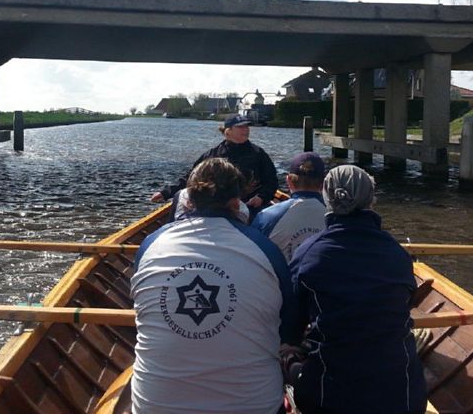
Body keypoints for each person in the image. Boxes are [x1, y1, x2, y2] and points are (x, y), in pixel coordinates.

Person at [131, 158, 297, 413]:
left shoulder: (150, 244)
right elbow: (289, 329)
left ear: (188, 199)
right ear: (236, 202)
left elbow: (141, 311)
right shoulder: (265, 249)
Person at [288, 164, 427, 414]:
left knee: (287, 358)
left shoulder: (309, 254)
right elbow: (401, 303)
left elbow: (291, 326)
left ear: (326, 198)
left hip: (331, 399)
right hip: (404, 398)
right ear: (371, 200)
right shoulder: (397, 254)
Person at [150, 113, 278, 217]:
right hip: (216, 207)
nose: (246, 130)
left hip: (250, 206)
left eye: (247, 126)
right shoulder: (213, 154)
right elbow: (191, 178)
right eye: (241, 127)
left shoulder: (258, 154)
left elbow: (271, 181)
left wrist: (261, 197)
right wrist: (166, 193)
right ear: (228, 131)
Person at [251, 151, 327, 263]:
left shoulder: (265, 216)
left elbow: (252, 256)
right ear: (323, 184)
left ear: (289, 181)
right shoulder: (335, 217)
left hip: (279, 279)